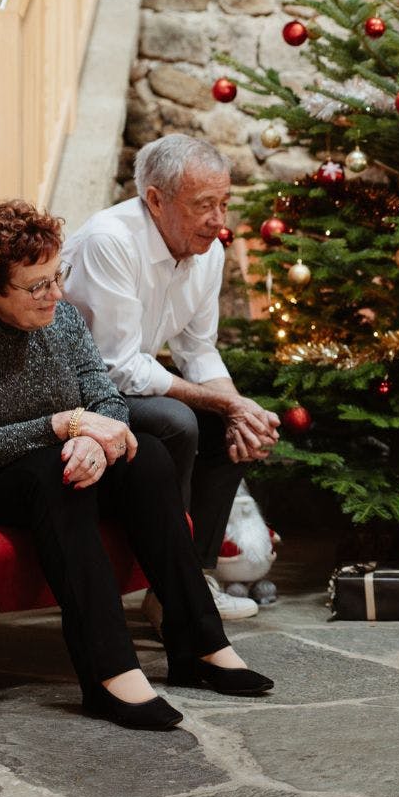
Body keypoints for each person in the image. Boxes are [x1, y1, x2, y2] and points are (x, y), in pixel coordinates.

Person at [0, 201, 273, 731]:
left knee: (148, 455)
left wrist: (97, 440)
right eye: (36, 285)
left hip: (49, 458)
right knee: (56, 476)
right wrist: (63, 426)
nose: (56, 294)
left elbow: (105, 400)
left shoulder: (59, 318)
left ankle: (197, 644)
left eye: (56, 275)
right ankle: (108, 674)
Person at [63, 134, 278, 624]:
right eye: (205, 205)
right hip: (79, 391)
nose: (219, 221)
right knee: (178, 420)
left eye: (224, 204)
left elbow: (198, 350)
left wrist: (240, 411)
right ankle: (168, 580)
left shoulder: (208, 252)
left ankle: (188, 581)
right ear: (155, 200)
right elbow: (115, 366)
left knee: (231, 430)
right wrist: (226, 406)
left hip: (128, 380)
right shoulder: (110, 241)